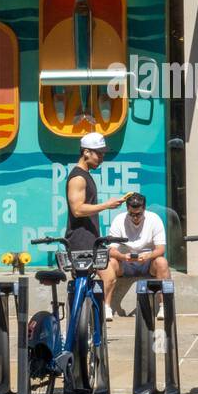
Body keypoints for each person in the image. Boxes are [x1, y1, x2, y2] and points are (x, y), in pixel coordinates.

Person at [64, 131, 127, 317]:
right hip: (80, 240)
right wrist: (107, 205)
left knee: (102, 280)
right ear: (85, 152)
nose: (102, 157)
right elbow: (77, 209)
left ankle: (90, 322)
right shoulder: (78, 177)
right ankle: (86, 322)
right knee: (101, 279)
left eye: (103, 153)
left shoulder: (85, 175)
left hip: (90, 240)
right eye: (98, 153)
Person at [106, 192, 169, 316]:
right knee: (109, 264)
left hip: (147, 261)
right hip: (125, 262)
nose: (135, 218)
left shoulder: (154, 219)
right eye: (131, 214)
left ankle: (163, 306)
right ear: (127, 210)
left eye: (138, 214)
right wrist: (123, 257)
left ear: (144, 209)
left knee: (162, 262)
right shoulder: (119, 220)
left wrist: (148, 256)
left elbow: (161, 249)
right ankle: (107, 307)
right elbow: (111, 250)